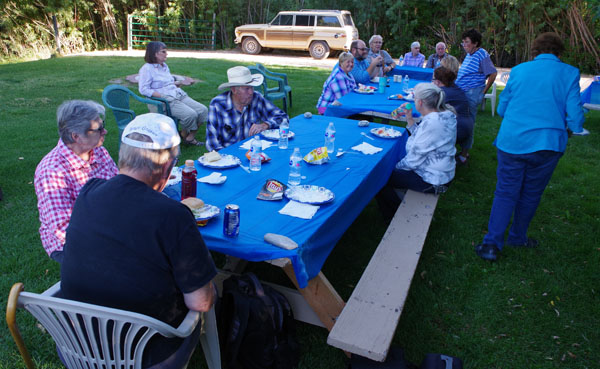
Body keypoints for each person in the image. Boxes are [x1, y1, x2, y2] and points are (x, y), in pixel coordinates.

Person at [61, 113, 217, 368]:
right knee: (211, 291)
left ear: (124, 156)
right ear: (167, 166)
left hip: (78, 343)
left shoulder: (88, 192)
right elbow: (200, 302)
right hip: (144, 354)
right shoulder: (173, 215)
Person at [474, 32, 585, 261]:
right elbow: (575, 118)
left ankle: (491, 245)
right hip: (548, 145)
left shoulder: (519, 70)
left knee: (505, 191)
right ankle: (517, 237)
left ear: (535, 51)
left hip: (513, 141)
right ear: (558, 52)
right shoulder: (570, 73)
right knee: (531, 193)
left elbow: (503, 110)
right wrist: (567, 128)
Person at [34, 100, 118, 264]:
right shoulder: (52, 171)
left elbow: (117, 186)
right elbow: (64, 229)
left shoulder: (98, 151)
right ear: (76, 136)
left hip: (106, 224)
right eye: (98, 129)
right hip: (73, 242)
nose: (105, 131)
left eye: (103, 126)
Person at [377, 83, 457, 219]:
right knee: (389, 169)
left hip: (433, 180)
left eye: (414, 99)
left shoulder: (432, 123)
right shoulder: (443, 116)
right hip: (441, 173)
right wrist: (409, 118)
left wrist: (394, 168)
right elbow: (422, 139)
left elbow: (413, 160)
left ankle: (397, 216)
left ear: (420, 102)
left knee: (380, 177)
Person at [138, 41, 208, 146]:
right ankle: (184, 135)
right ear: (155, 54)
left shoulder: (164, 66)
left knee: (203, 110)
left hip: (177, 94)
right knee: (190, 115)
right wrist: (161, 95)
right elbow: (143, 89)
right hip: (164, 100)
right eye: (163, 51)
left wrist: (178, 83)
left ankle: (188, 136)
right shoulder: (146, 69)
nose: (166, 54)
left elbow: (167, 83)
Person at [206, 66, 288, 151]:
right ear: (234, 90)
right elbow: (212, 144)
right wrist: (228, 158)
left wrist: (265, 125)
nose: (251, 92)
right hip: (229, 154)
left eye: (252, 87)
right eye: (247, 88)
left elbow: (283, 118)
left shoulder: (256, 98)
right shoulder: (218, 105)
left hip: (253, 152)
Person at [456, 29, 497, 129]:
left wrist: (483, 92)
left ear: (475, 43)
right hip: (463, 92)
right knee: (460, 120)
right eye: (463, 42)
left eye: (467, 42)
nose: (464, 45)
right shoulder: (469, 54)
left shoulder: (481, 54)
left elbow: (493, 73)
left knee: (468, 122)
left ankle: (467, 144)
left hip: (471, 93)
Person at [432, 66, 474, 164]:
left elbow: (431, 110)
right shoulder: (454, 87)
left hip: (458, 129)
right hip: (466, 126)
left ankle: (437, 161)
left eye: (433, 79)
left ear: (438, 81)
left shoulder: (444, 93)